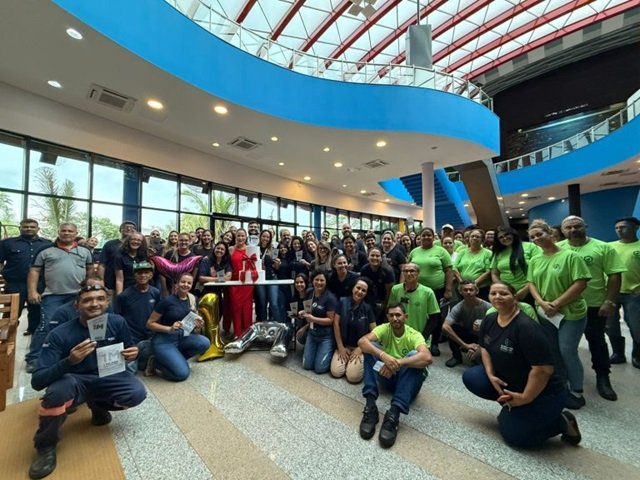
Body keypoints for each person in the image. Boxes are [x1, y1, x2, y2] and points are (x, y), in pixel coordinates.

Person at [28, 284, 146, 479]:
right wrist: (69, 361)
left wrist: (134, 354)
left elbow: (129, 348)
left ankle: (97, 405)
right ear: (76, 306)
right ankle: (46, 446)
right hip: (75, 380)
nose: (94, 304)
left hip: (106, 376)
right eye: (87, 300)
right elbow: (37, 381)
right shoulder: (59, 334)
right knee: (56, 395)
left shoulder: (117, 322)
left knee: (136, 393)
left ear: (107, 303)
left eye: (100, 299)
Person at [462, 282, 580, 448]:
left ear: (515, 298)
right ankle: (512, 406)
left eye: (503, 294)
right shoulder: (489, 320)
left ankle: (561, 422)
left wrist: (526, 397)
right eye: (493, 293)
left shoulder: (526, 328)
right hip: (512, 382)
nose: (497, 297)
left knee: (516, 437)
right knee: (472, 377)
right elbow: (485, 348)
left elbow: (543, 370)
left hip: (544, 392)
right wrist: (490, 374)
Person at [558, 215, 625, 400]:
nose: (573, 230)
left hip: (594, 304)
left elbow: (614, 275)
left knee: (596, 342)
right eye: (568, 227)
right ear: (562, 231)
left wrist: (609, 301)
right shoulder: (558, 248)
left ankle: (603, 377)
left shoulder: (602, 247)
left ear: (585, 226)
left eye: (577, 226)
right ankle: (567, 377)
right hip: (566, 306)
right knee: (564, 345)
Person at [527, 219, 591, 410]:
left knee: (567, 350)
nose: (536, 239)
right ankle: (561, 383)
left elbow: (580, 283)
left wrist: (556, 303)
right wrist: (541, 302)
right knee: (552, 349)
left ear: (550, 233)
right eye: (532, 237)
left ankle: (577, 391)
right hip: (546, 312)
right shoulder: (535, 259)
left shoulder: (571, 256)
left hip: (570, 313)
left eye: (540, 234)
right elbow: (531, 283)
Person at [358, 303, 432, 448]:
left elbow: (427, 358)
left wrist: (397, 363)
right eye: (391, 315)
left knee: (415, 356)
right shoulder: (384, 328)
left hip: (408, 383)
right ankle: (371, 406)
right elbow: (362, 342)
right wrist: (383, 356)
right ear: (387, 317)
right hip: (387, 377)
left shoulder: (414, 334)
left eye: (398, 315)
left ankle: (393, 414)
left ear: (405, 317)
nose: (395, 318)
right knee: (369, 348)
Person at [26, 223, 94, 372]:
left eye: (70, 231)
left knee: (78, 325)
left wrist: (88, 289)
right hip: (53, 295)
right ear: (58, 232)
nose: (66, 233)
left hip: (78, 295)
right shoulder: (45, 250)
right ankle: (34, 358)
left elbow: (90, 270)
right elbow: (34, 271)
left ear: (76, 233)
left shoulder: (85, 251)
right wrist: (32, 291)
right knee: (46, 326)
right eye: (63, 230)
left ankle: (70, 356)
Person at [146, 273, 209, 381]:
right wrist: (169, 328)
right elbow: (149, 323)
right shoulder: (167, 301)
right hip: (164, 340)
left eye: (189, 283)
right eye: (183, 282)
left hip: (182, 337)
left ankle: (175, 360)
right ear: (177, 283)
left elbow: (192, 324)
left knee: (204, 343)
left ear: (192, 285)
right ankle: (156, 362)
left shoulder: (193, 299)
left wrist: (198, 325)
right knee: (181, 374)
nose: (186, 285)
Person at [0, 218, 52, 336]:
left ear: (38, 229)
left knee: (37, 312)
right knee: (11, 313)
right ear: (20, 228)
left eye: (32, 227)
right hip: (15, 284)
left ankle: (34, 335)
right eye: (26, 227)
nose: (29, 229)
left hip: (39, 284)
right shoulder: (7, 243)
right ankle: (6, 340)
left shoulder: (47, 244)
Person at [407, 227, 454, 356]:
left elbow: (449, 271)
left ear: (433, 237)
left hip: (436, 290)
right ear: (420, 237)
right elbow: (407, 269)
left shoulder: (441, 251)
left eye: (429, 235)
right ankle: (417, 341)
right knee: (418, 315)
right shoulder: (414, 251)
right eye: (424, 235)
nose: (426, 237)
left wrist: (448, 289)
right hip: (417, 290)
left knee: (435, 317)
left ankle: (434, 344)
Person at [115, 261, 160, 374]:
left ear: (151, 275)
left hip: (149, 336)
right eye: (139, 273)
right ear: (134, 275)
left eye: (146, 272)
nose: (143, 275)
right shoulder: (125, 295)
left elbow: (158, 314)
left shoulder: (156, 293)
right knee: (131, 371)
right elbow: (118, 317)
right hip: (132, 337)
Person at [606, 216, 640, 368]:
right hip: (610, 293)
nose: (619, 230)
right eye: (617, 228)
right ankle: (617, 353)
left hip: (634, 294)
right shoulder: (609, 246)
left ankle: (637, 355)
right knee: (610, 324)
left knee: (636, 325)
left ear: (635, 228)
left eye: (623, 227)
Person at [331, 279, 376, 383]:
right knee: (336, 372)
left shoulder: (368, 308)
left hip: (359, 348)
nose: (360, 292)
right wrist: (340, 347)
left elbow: (375, 332)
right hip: (343, 345)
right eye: (358, 288)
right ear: (353, 288)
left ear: (366, 293)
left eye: (363, 290)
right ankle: (347, 361)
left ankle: (356, 363)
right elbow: (336, 324)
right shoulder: (342, 302)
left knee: (353, 377)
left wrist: (361, 348)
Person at [388, 262, 440, 344]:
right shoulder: (395, 290)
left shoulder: (428, 292)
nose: (408, 274)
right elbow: (390, 312)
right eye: (405, 271)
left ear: (418, 273)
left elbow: (434, 318)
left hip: (420, 337)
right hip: (399, 337)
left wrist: (423, 337)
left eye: (412, 271)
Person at [442, 280, 491, 368]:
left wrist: (484, 323)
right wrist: (465, 345)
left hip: (484, 337)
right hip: (469, 334)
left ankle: (479, 356)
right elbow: (445, 326)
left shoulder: (488, 306)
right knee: (451, 328)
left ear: (477, 291)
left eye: (471, 290)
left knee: (477, 362)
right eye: (465, 290)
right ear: (460, 292)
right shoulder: (458, 307)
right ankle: (456, 357)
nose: (468, 292)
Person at [300, 271, 337, 374]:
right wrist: (303, 313)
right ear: (312, 281)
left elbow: (330, 320)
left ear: (326, 282)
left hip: (325, 336)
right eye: (316, 279)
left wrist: (313, 319)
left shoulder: (330, 298)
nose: (319, 282)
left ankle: (330, 351)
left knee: (319, 369)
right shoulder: (309, 293)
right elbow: (308, 310)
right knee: (307, 365)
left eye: (322, 280)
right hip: (312, 333)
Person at [491, 226, 540, 303]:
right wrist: (501, 288)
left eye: (506, 234)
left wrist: (525, 291)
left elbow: (539, 270)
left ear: (513, 234)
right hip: (507, 293)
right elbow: (494, 273)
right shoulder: (498, 253)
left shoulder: (530, 247)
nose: (504, 238)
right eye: (501, 237)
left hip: (529, 290)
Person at [228, 228, 255, 337]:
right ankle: (237, 333)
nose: (240, 238)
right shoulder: (231, 249)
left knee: (247, 307)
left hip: (247, 282)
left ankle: (247, 333)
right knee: (236, 307)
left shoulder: (250, 249)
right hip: (234, 282)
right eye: (238, 235)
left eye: (243, 235)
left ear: (246, 237)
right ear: (235, 237)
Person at [454, 229, 492, 300]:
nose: (474, 238)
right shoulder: (462, 252)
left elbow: (488, 271)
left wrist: (474, 284)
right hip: (463, 288)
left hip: (481, 289)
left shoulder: (488, 253)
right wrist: (462, 283)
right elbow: (454, 268)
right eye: (472, 236)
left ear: (482, 239)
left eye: (477, 237)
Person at [98, 221, 136, 291]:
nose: (128, 229)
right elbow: (102, 265)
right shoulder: (110, 244)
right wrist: (101, 281)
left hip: (130, 285)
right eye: (126, 227)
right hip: (110, 283)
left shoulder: (135, 246)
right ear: (120, 230)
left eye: (131, 228)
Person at [359, 247, 394, 322]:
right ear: (368, 257)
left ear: (381, 258)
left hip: (384, 300)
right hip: (368, 299)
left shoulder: (388, 271)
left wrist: (384, 306)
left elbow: (389, 292)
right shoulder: (364, 270)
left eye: (377, 256)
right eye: (372, 255)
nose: (375, 258)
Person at [254, 229, 282, 322]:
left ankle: (277, 324)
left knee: (274, 303)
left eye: (268, 237)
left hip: (272, 278)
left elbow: (276, 267)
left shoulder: (273, 250)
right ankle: (263, 324)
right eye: (264, 236)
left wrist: (278, 263)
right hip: (259, 279)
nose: (265, 238)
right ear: (260, 237)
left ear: (270, 239)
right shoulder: (255, 249)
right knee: (262, 304)